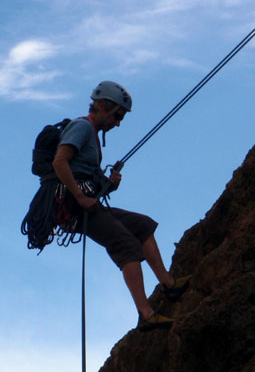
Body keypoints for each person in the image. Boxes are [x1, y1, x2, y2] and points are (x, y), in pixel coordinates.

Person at [52, 80, 190, 331]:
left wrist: (109, 184)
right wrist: (81, 197)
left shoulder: (91, 133)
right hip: (74, 206)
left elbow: (82, 175)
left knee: (142, 225)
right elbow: (60, 162)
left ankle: (169, 285)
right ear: (103, 106)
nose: (119, 122)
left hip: (83, 202)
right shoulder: (82, 127)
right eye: (118, 116)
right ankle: (146, 314)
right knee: (125, 244)